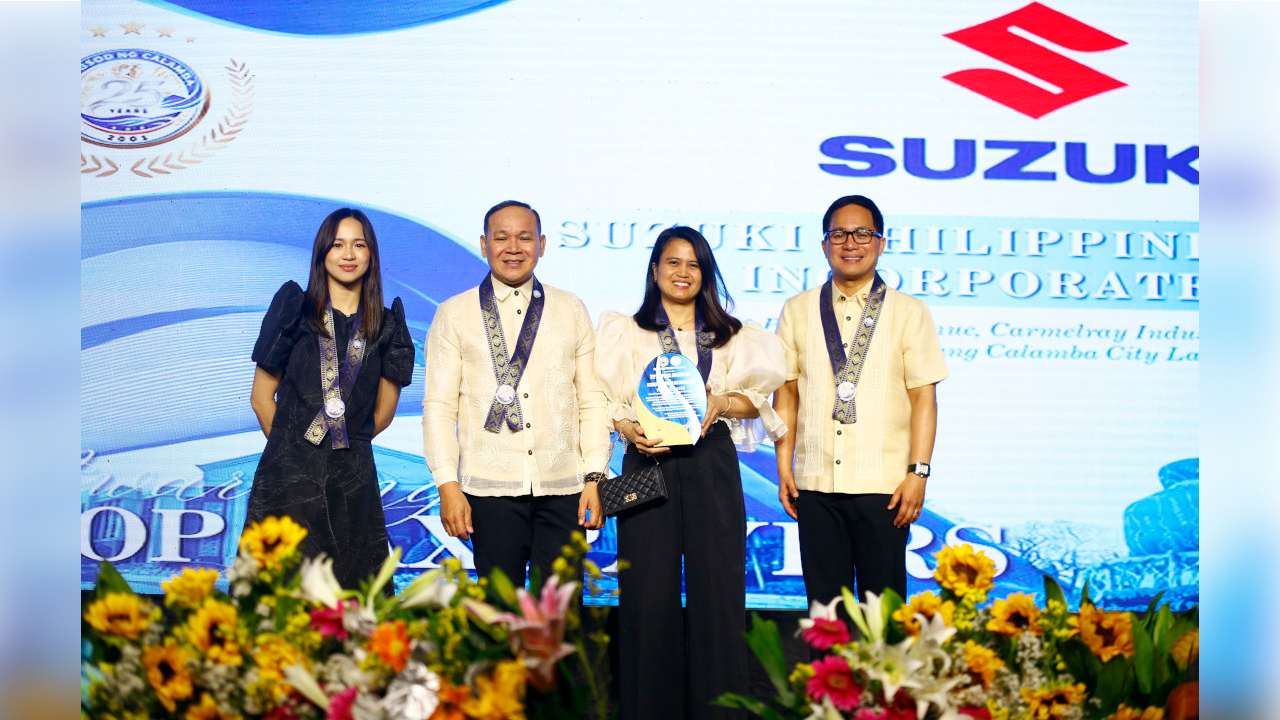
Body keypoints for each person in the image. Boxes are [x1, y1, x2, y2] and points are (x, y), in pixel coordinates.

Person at [595, 226, 787, 720]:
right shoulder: (626, 331)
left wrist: (721, 402)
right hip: (648, 459)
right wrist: (626, 428)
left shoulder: (731, 334)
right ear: (655, 269)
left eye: (694, 264)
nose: (683, 273)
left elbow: (756, 400)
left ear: (706, 274)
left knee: (718, 594)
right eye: (673, 262)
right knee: (646, 596)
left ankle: (719, 711)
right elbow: (603, 399)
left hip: (711, 461)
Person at [773, 195, 948, 612]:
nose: (850, 243)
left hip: (884, 488)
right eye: (839, 234)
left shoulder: (909, 312)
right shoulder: (797, 310)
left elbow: (924, 398)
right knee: (825, 615)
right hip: (815, 485)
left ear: (881, 243)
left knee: (883, 617)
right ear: (824, 244)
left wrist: (918, 473)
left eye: (862, 233)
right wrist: (784, 468)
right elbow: (787, 394)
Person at [422, 200, 609, 590]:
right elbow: (439, 407)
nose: (513, 248)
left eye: (524, 238)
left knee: (559, 613)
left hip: (564, 488)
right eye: (501, 238)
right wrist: (447, 484)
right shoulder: (453, 313)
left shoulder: (571, 309)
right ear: (483, 244)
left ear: (542, 244)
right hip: (488, 488)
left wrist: (595, 476)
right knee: (498, 610)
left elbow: (592, 400)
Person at [246, 208, 415, 589]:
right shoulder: (295, 309)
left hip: (351, 480)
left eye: (359, 245)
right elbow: (261, 397)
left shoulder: (388, 325)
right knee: (280, 595)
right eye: (337, 245)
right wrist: (296, 455)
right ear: (322, 252)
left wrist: (340, 454)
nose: (348, 254)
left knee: (351, 594)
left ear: (371, 255)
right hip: (288, 480)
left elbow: (382, 414)